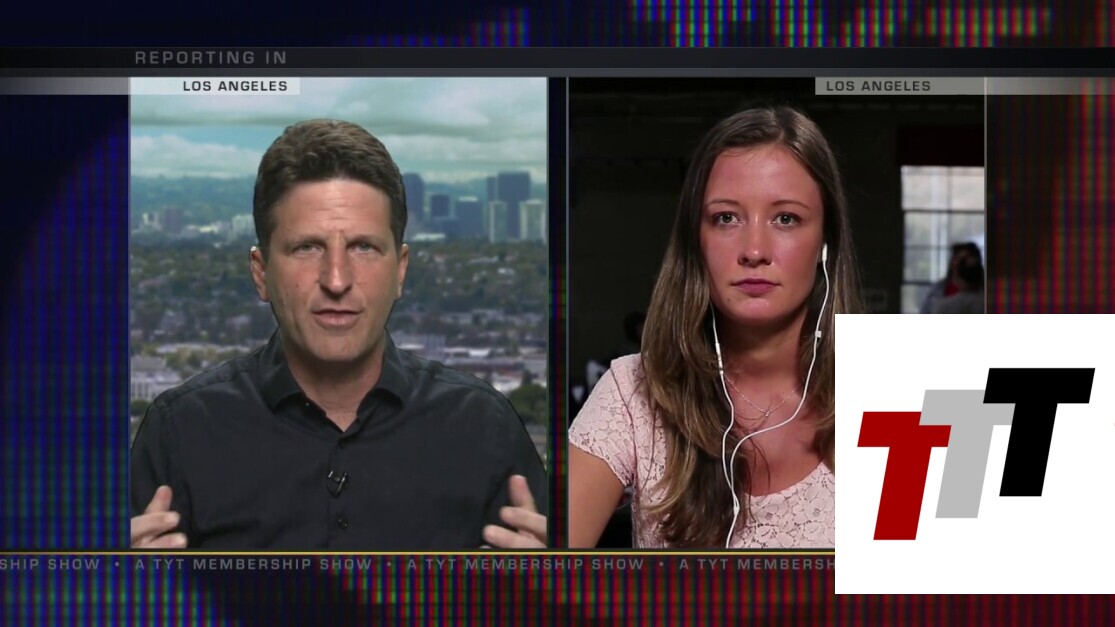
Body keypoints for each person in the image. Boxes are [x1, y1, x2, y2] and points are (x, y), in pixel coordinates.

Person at [130, 119, 547, 550]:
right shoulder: (179, 432)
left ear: (400, 270)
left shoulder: (484, 428)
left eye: (363, 247)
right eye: (306, 247)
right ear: (261, 272)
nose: (336, 279)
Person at [568, 106, 864, 549]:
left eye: (786, 218)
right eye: (727, 218)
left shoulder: (895, 391)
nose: (754, 250)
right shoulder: (633, 392)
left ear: (826, 242)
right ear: (696, 241)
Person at [919, 242, 981, 314]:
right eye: (957, 258)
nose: (960, 263)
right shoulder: (938, 288)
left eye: (966, 259)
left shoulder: (983, 294)